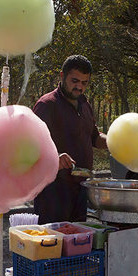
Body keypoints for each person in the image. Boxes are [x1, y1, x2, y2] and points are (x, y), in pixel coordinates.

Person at [32, 55, 108, 223]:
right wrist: (55, 158)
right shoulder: (47, 105)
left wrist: (113, 141)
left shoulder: (85, 104)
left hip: (81, 189)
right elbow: (30, 147)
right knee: (52, 244)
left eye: (84, 83)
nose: (79, 87)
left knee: (76, 242)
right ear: (62, 76)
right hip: (53, 192)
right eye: (75, 81)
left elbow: (94, 137)